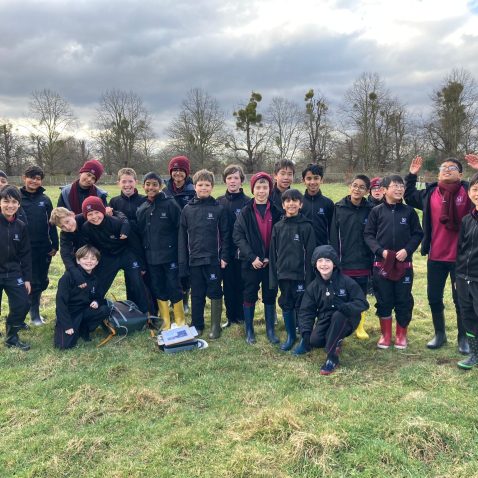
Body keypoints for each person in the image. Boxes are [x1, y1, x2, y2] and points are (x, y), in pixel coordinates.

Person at [404, 155, 478, 353]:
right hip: (436, 256)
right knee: (433, 297)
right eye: (443, 167)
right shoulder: (430, 193)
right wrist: (412, 174)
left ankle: (463, 337)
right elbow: (409, 196)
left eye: (452, 167)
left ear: (460, 174)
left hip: (462, 259)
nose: (447, 169)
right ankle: (440, 334)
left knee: (461, 300)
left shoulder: (468, 191)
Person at [364, 175, 423, 350]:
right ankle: (385, 335)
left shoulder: (409, 212)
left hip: (404, 264)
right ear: (384, 190)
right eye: (395, 186)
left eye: (401, 186)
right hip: (382, 264)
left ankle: (401, 335)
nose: (399, 189)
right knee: (384, 299)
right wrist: (380, 251)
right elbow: (368, 235)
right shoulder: (376, 211)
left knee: (403, 300)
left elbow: (418, 234)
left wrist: (407, 250)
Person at [294, 245, 369, 375]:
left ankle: (332, 358)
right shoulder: (313, 287)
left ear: (334, 263)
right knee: (315, 341)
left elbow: (363, 303)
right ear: (315, 264)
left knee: (338, 317)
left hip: (347, 318)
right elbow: (306, 311)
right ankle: (335, 340)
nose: (324, 264)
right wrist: (305, 333)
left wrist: (345, 306)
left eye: (328, 260)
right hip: (325, 318)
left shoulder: (347, 282)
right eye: (320, 260)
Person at [178, 169, 230, 338]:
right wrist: (183, 261)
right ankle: (197, 324)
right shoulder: (187, 210)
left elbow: (225, 235)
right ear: (194, 186)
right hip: (194, 261)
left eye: (207, 185)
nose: (204, 188)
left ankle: (216, 326)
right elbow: (182, 238)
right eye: (200, 185)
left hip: (213, 260)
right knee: (197, 293)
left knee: (215, 291)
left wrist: (224, 256)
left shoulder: (218, 209)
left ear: (212, 187)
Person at [233, 172, 282, 344]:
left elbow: (280, 237)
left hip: (270, 263)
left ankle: (270, 330)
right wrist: (252, 257)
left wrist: (270, 257)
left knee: (270, 294)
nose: (262, 191)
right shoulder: (245, 212)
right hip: (250, 263)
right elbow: (238, 236)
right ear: (253, 189)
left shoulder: (277, 211)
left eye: (265, 187)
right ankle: (250, 331)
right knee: (249, 294)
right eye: (258, 188)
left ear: (270, 189)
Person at [81, 196, 149, 313]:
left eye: (97, 212)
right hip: (107, 256)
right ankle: (94, 312)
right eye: (90, 214)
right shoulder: (86, 228)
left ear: (103, 211)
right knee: (100, 284)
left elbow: (134, 244)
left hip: (126, 254)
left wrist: (141, 264)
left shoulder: (116, 222)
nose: (94, 217)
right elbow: (88, 247)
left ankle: (146, 314)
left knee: (137, 283)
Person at [136, 172, 185, 329]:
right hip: (151, 257)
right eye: (148, 184)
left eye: (154, 184)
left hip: (170, 256)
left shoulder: (170, 204)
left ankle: (180, 320)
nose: (151, 188)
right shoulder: (142, 209)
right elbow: (141, 234)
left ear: (161, 186)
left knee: (174, 286)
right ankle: (165, 322)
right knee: (157, 286)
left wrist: (180, 254)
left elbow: (180, 229)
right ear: (143, 186)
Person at [269, 189, 316, 351]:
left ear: (300, 204)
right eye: (287, 201)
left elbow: (311, 255)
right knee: (286, 304)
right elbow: (273, 255)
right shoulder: (278, 227)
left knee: (302, 306)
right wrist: (274, 278)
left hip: (301, 276)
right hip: (284, 275)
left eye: (295, 201)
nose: (291, 204)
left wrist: (310, 278)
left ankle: (304, 338)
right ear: (283, 205)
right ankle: (290, 335)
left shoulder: (306, 227)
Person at [330, 175, 373, 340]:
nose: (357, 189)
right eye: (355, 185)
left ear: (366, 191)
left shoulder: (370, 209)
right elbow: (333, 236)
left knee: (360, 296)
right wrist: (335, 260)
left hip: (363, 261)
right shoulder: (338, 208)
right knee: (341, 295)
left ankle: (359, 326)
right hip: (344, 261)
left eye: (361, 187)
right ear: (350, 187)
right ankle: (341, 324)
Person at [19, 165, 58, 326]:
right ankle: (27, 314)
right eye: (31, 177)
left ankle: (35, 310)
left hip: (43, 248)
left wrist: (55, 244)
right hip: (23, 249)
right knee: (28, 281)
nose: (34, 181)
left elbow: (52, 224)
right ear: (24, 178)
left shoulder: (45, 200)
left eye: (38, 178)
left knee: (42, 281)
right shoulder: (17, 198)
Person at [54, 245, 110, 349]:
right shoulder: (68, 277)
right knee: (63, 346)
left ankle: (84, 329)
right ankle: (68, 327)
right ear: (78, 260)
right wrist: (67, 325)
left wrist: (97, 302)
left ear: (97, 262)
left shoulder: (96, 278)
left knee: (104, 309)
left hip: (84, 311)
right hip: (70, 313)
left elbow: (100, 297)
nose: (89, 261)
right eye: (85, 258)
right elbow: (60, 303)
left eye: (93, 259)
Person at [217, 164, 250, 328]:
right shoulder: (218, 203)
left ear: (241, 180)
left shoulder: (248, 203)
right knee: (228, 285)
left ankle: (242, 316)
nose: (232, 181)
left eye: (236, 177)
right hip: (226, 253)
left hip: (242, 253)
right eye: (229, 178)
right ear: (225, 180)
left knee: (242, 285)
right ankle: (230, 317)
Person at [0, 185, 32, 350]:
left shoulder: (21, 226)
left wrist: (27, 278)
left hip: (13, 272)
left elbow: (26, 254)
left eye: (14, 202)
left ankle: (11, 337)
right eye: (6, 201)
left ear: (19, 204)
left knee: (23, 303)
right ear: (0, 202)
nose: (10, 205)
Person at [165, 155, 196, 313]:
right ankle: (173, 299)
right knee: (171, 269)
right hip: (169, 236)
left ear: (186, 172)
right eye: (174, 170)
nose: (177, 173)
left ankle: (185, 300)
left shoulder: (193, 191)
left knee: (185, 268)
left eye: (181, 170)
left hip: (188, 235)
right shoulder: (164, 191)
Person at [456, 172, 478, 369]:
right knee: (468, 315)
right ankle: (474, 354)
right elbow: (461, 249)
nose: (477, 193)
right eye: (475, 189)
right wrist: (458, 275)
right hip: (464, 277)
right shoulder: (466, 220)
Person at [300, 163, 334, 246]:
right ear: (303, 181)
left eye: (316, 178)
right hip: (302, 249)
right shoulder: (298, 203)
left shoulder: (328, 203)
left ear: (321, 180)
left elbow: (332, 229)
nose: (312, 182)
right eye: (309, 178)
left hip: (322, 248)